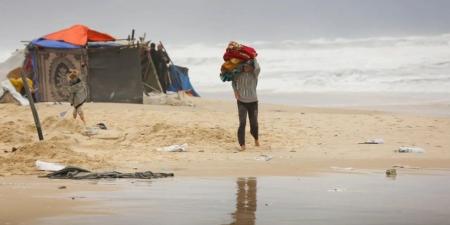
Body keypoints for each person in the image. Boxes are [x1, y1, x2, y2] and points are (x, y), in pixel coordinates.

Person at [232, 59, 261, 151]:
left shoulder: (254, 75)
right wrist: (235, 91)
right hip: (241, 101)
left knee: (254, 123)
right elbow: (233, 82)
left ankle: (256, 138)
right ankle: (242, 144)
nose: (246, 67)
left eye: (248, 66)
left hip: (253, 102)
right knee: (242, 122)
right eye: (244, 66)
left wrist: (253, 57)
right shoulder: (238, 74)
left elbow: (258, 68)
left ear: (252, 67)